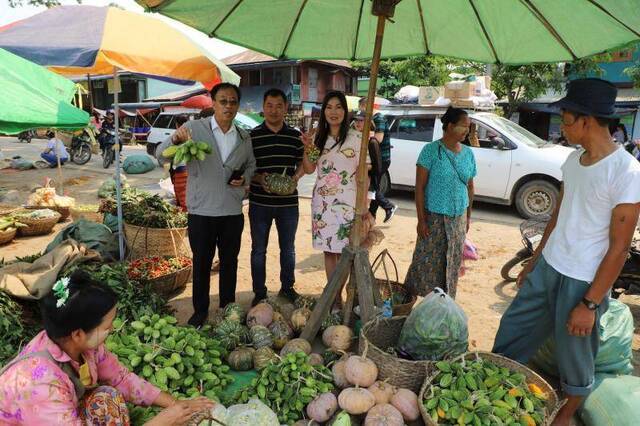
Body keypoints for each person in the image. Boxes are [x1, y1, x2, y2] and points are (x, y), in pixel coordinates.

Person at [492, 78, 640, 426]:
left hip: (583, 279)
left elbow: (619, 249)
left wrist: (589, 304)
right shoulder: (575, 161)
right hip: (550, 266)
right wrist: (535, 257)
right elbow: (560, 211)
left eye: (567, 119)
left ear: (587, 120)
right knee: (513, 328)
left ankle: (566, 413)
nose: (563, 125)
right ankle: (496, 380)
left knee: (575, 352)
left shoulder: (626, 172)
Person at [0, 269, 213, 425]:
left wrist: (177, 404)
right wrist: (162, 422)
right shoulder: (40, 383)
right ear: (78, 333)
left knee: (105, 397)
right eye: (107, 326)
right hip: (38, 414)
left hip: (54, 415)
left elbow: (121, 378)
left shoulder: (81, 345)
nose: (112, 330)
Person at [155, 83, 255, 328]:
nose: (228, 106)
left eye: (233, 101)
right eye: (223, 101)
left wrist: (246, 179)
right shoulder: (192, 129)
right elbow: (160, 154)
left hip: (232, 211)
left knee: (229, 263)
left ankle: (227, 308)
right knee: (202, 263)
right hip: (201, 211)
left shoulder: (243, 136)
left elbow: (252, 165)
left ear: (237, 105)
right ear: (213, 103)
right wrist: (174, 139)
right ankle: (199, 312)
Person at [302, 91, 370, 306]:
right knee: (329, 251)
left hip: (349, 204)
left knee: (345, 252)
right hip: (322, 204)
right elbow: (309, 168)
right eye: (329, 107)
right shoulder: (316, 138)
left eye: (338, 107)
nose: (333, 111)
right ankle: (335, 298)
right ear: (323, 111)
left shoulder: (358, 138)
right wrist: (307, 146)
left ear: (345, 111)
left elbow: (364, 177)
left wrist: (364, 206)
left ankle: (338, 294)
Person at [404, 107, 476, 299]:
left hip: (458, 218)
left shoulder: (468, 153)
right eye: (463, 126)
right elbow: (419, 188)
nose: (467, 131)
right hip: (433, 219)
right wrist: (421, 220)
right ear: (450, 126)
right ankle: (413, 301)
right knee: (426, 263)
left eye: (468, 127)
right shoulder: (430, 151)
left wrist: (468, 216)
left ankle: (444, 304)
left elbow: (469, 186)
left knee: (451, 264)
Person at [249, 89, 312, 307]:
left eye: (278, 105)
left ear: (286, 108)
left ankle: (287, 288)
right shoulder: (253, 135)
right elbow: (248, 168)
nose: (274, 110)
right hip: (259, 203)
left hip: (288, 204)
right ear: (263, 107)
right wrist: (259, 179)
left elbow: (304, 164)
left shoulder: (295, 136)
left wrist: (294, 178)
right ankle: (259, 292)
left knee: (288, 248)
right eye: (269, 105)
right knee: (258, 249)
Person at [358, 97, 397, 223]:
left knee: (372, 186)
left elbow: (377, 140)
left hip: (380, 160)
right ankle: (373, 215)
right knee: (374, 186)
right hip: (375, 159)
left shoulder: (378, 118)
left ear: (367, 106)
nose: (361, 112)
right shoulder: (373, 119)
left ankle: (388, 206)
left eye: (362, 109)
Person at [169, 114, 190, 212]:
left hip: (181, 171)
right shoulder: (194, 134)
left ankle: (188, 223)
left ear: (177, 125)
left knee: (183, 200)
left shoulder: (175, 136)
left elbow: (162, 155)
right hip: (190, 171)